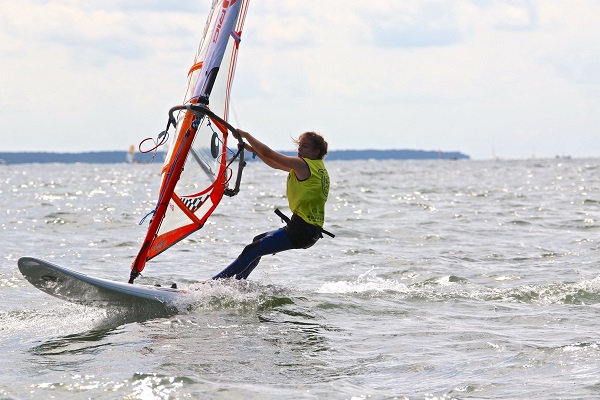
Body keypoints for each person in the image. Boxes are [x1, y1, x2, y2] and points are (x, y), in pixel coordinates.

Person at [212, 129, 331, 280]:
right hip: (306, 230)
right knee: (257, 242)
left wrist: (247, 135)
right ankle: (238, 283)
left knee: (252, 250)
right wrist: (254, 150)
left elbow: (270, 154)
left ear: (316, 152)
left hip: (301, 230)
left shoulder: (303, 165)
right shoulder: (316, 167)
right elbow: (275, 164)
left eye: (304, 146)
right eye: (299, 146)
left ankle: (212, 284)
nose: (299, 150)